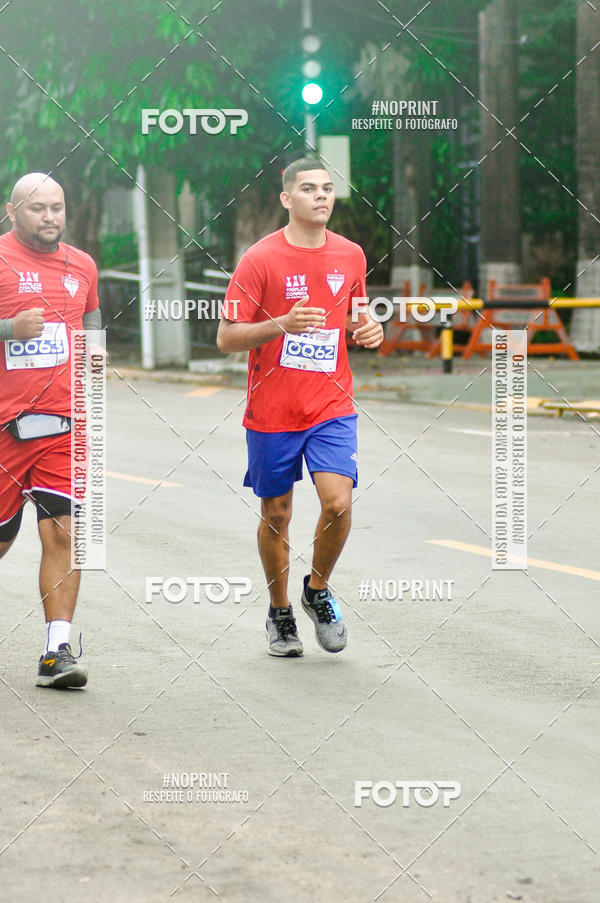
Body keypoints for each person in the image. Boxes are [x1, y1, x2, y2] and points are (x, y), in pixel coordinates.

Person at [217, 157, 383, 657]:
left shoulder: (351, 254)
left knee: (338, 503)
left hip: (331, 404)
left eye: (327, 188)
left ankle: (317, 590)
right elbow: (226, 337)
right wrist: (280, 324)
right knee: (277, 513)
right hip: (273, 410)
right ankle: (280, 612)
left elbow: (355, 316)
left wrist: (369, 330)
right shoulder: (260, 259)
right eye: (309, 189)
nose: (321, 196)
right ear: (287, 198)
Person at [0, 173, 101, 688]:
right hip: (4, 428)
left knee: (64, 532)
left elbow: (92, 321)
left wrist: (97, 354)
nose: (49, 217)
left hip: (64, 427)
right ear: (12, 211)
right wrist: (8, 330)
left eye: (57, 207)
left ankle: (56, 651)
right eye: (37, 208)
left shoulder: (82, 264)